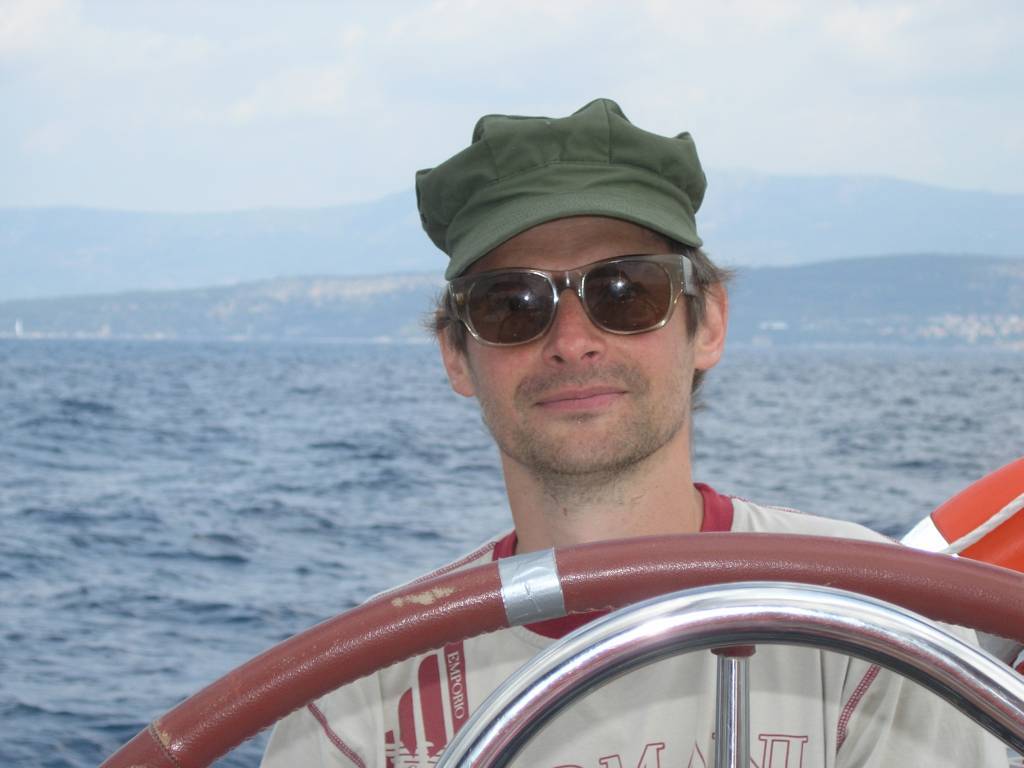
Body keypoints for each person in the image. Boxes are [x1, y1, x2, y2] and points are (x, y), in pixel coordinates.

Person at [262, 99, 1006, 767]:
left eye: (626, 292)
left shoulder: (876, 630)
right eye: (512, 305)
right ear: (457, 355)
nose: (572, 342)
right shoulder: (356, 695)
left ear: (707, 323)